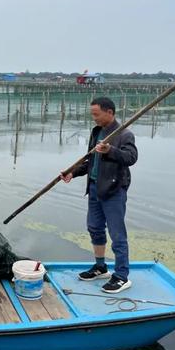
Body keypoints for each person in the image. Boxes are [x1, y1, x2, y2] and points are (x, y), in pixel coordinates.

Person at [61, 97, 138, 293]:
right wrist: (73, 172)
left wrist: (110, 150)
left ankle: (121, 276)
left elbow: (131, 158)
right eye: (92, 114)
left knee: (117, 234)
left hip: (113, 190)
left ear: (109, 112)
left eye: (96, 114)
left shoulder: (124, 134)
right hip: (95, 188)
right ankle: (101, 267)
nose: (93, 118)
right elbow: (89, 161)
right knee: (94, 227)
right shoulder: (96, 132)